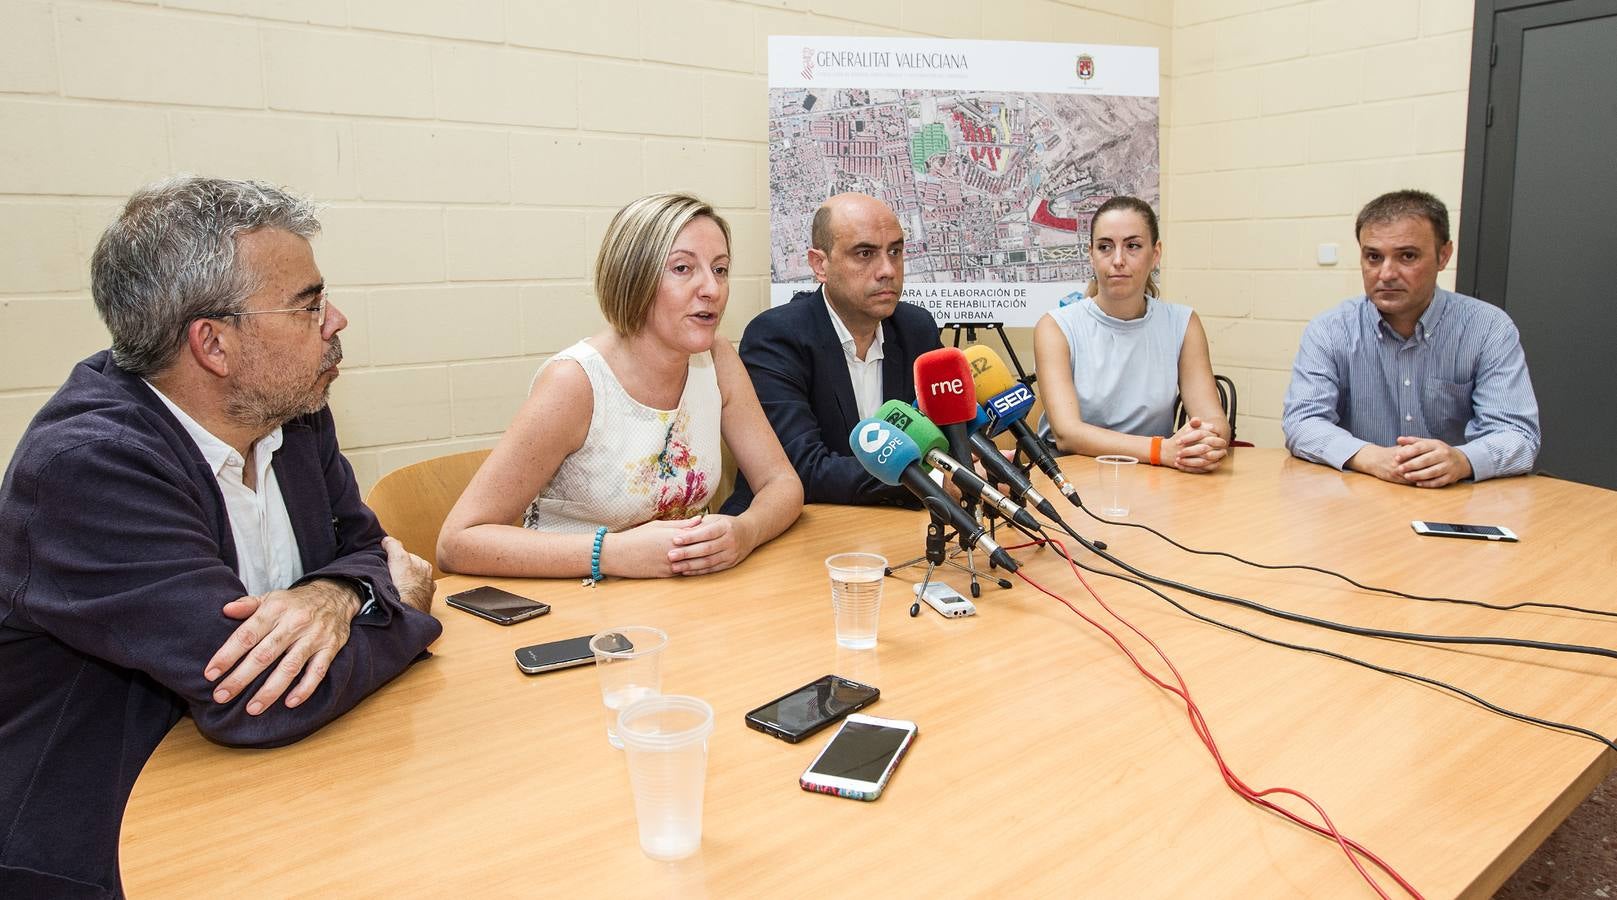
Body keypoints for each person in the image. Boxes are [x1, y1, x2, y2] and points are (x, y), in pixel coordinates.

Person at [0, 176, 442, 897]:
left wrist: (335, 593)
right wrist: (408, 607)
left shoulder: (289, 413)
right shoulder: (87, 467)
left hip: (262, 791)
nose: (336, 321)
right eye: (308, 305)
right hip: (102, 839)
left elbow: (364, 547)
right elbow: (257, 699)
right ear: (213, 343)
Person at [437, 193, 801, 579]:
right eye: (682, 268)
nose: (711, 288)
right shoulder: (575, 382)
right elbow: (457, 542)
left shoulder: (717, 358)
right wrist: (607, 553)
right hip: (575, 606)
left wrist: (745, 530)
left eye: (721, 269)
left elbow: (782, 483)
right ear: (634, 276)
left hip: (683, 603)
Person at [1282, 190, 1540, 486]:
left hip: (1455, 499)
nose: (1387, 273)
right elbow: (1302, 422)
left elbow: (1518, 435)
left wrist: (1462, 460)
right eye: (1373, 257)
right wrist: (1372, 457)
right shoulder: (1329, 329)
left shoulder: (1488, 328)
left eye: (1407, 256)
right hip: (1361, 499)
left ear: (1443, 256)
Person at [720, 192, 943, 513]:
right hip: (799, 529)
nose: (888, 270)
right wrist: (928, 480)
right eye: (865, 253)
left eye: (895, 252)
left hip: (893, 524)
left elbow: (950, 431)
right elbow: (803, 468)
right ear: (819, 264)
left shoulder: (916, 328)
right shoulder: (777, 336)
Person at [1033, 196, 1229, 473]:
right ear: (1091, 255)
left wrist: (1207, 441)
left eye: (1133, 246)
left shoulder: (1183, 323)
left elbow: (1212, 419)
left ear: (1156, 253)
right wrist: (1160, 450)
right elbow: (1067, 434)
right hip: (1073, 472)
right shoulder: (1056, 327)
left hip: (1156, 472)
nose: (1118, 260)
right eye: (1105, 247)